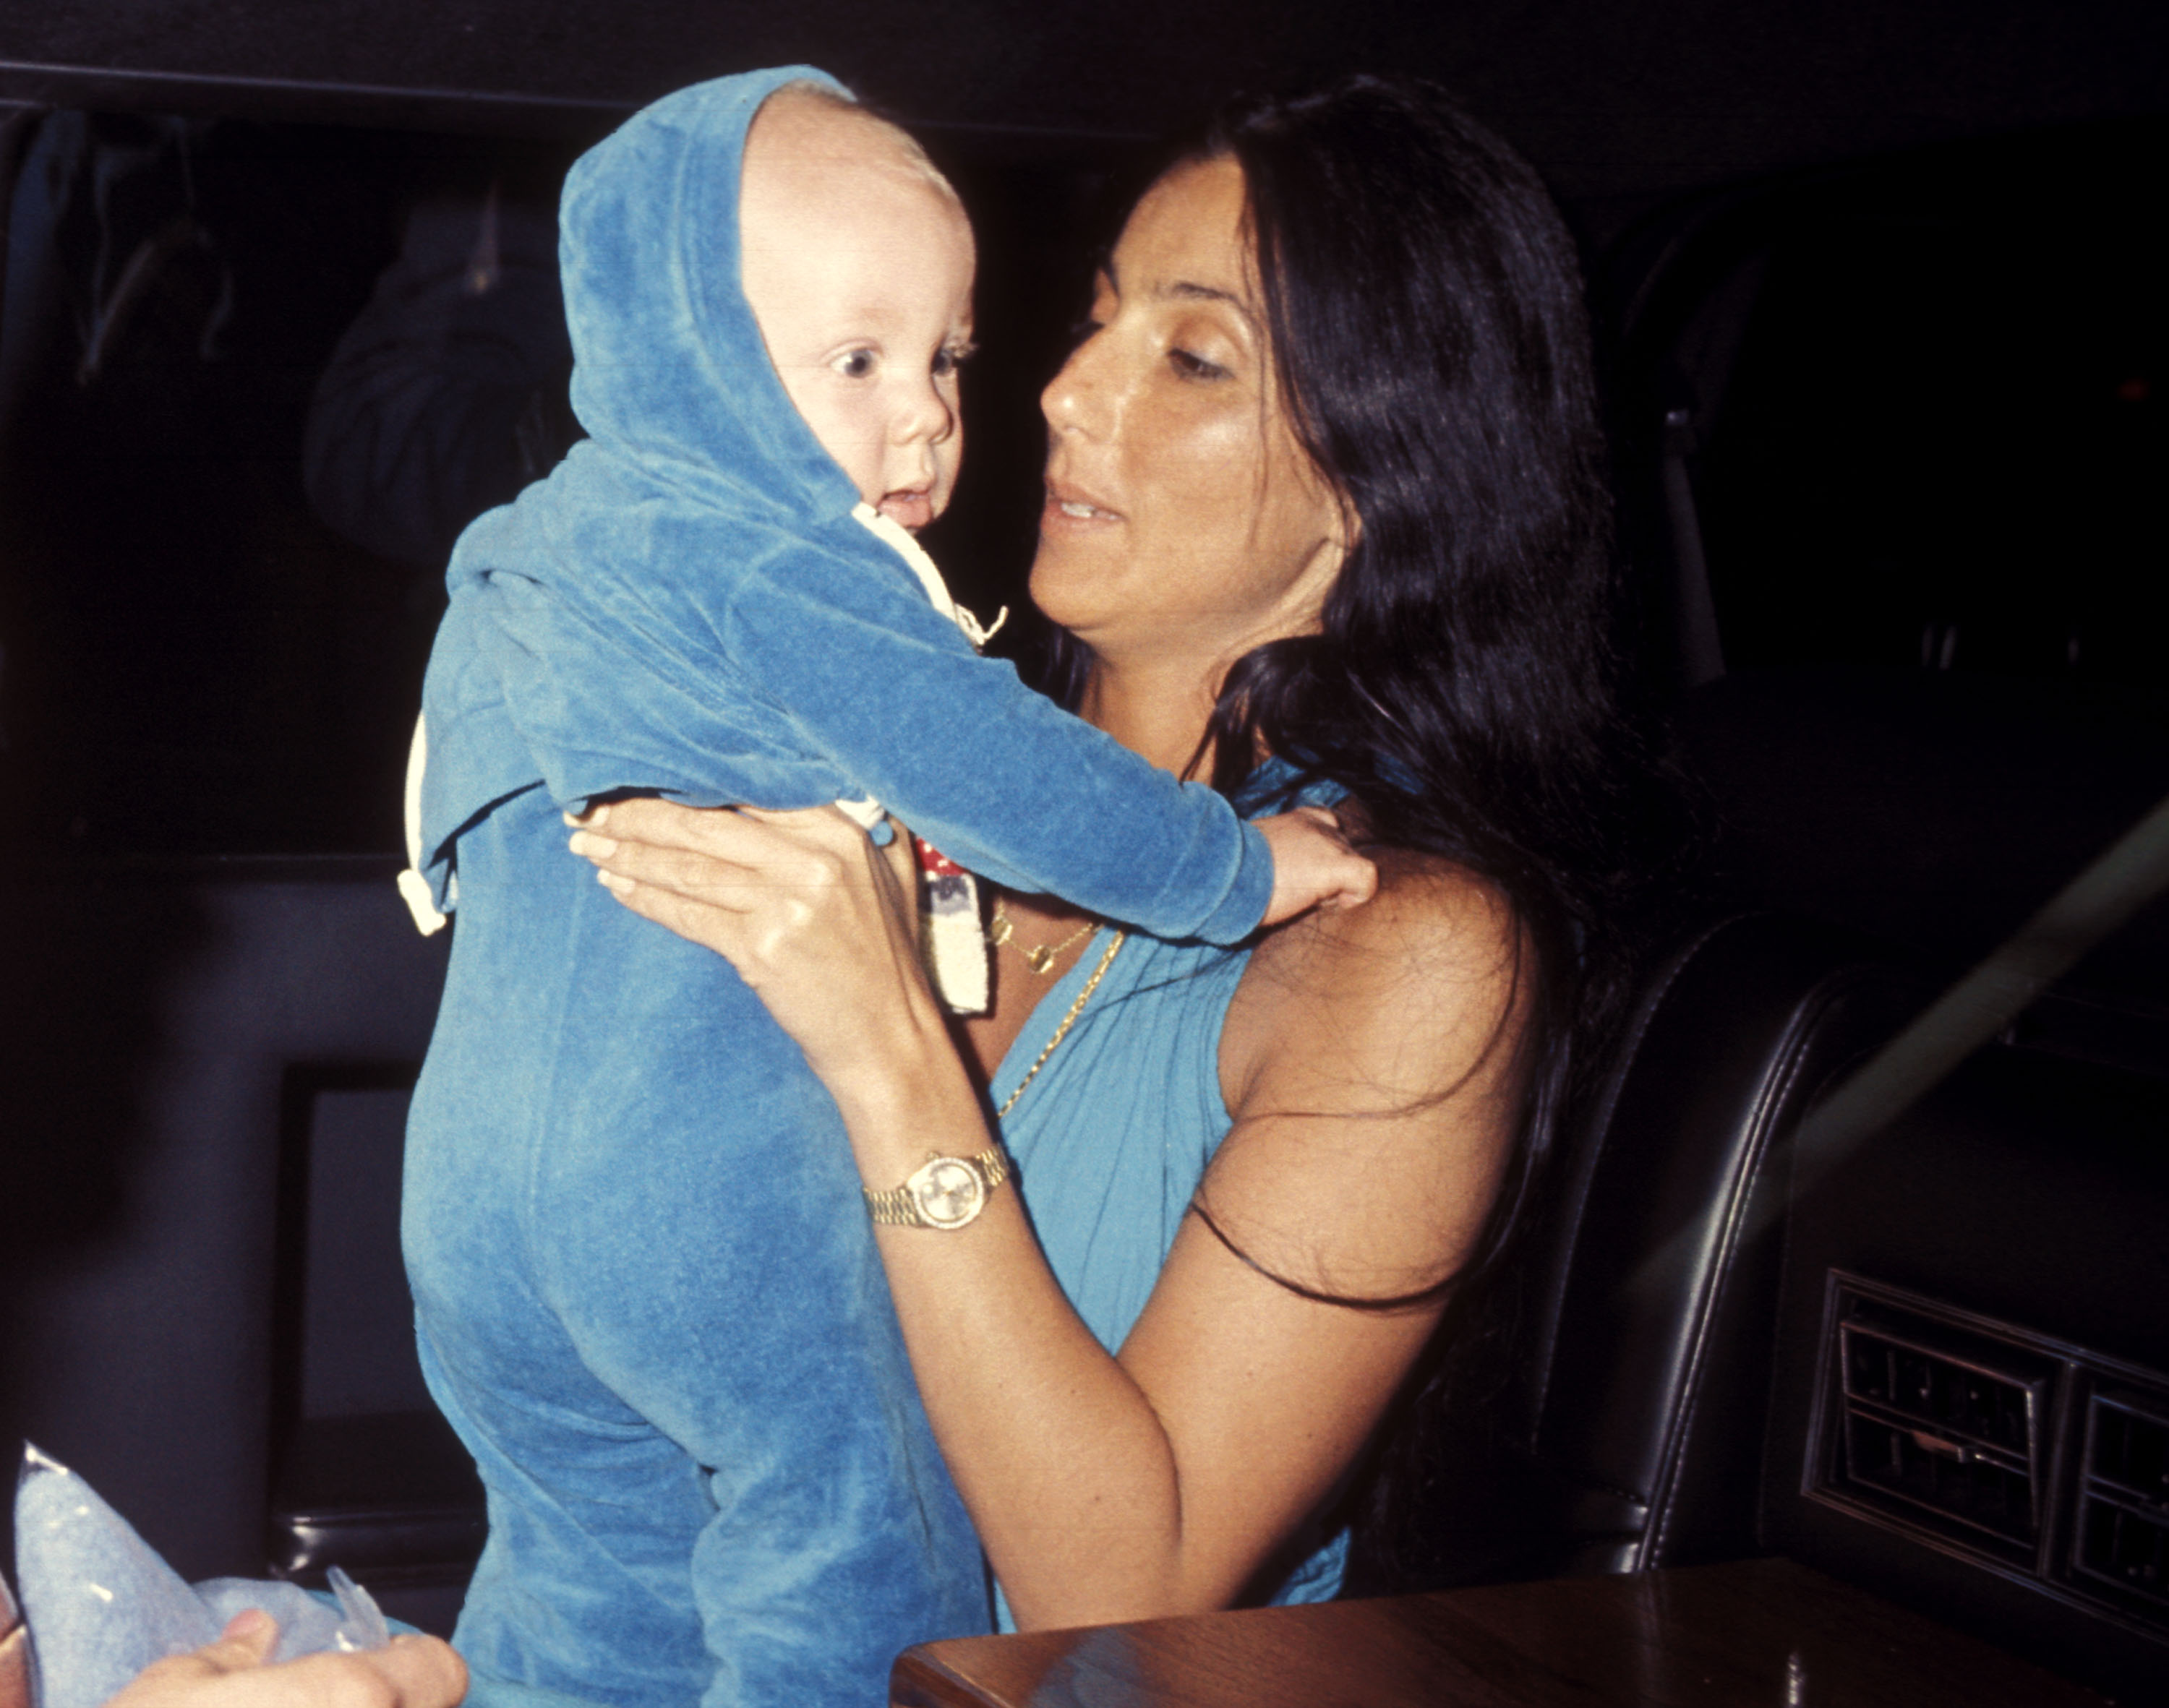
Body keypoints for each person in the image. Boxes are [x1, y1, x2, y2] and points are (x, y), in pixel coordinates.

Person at [568, 72, 1654, 1634]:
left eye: (1192, 357)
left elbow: (1122, 1583)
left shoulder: (1405, 952)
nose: (1065, 394)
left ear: (1378, 481)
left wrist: (891, 1054)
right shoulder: (914, 761)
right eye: (1094, 323)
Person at [400, 66, 1371, 1708]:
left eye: (947, 358)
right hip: (685, 1193)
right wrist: (1232, 867)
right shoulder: (815, 596)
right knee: (849, 1544)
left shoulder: (533, 543)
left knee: (580, 1575)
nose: (979, 409)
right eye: (858, 361)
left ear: (1379, 467)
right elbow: (1008, 778)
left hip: (471, 1195)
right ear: (697, 357)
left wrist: (886, 1049)